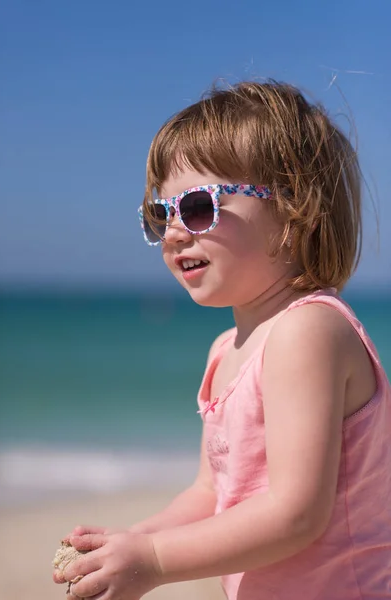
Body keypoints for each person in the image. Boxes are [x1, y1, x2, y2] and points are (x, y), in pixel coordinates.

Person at [54, 81, 391, 599]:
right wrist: (134, 541)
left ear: (294, 211)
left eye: (195, 207)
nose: (172, 233)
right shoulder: (225, 350)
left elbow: (296, 512)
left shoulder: (308, 331)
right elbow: (211, 493)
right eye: (160, 214)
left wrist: (155, 560)